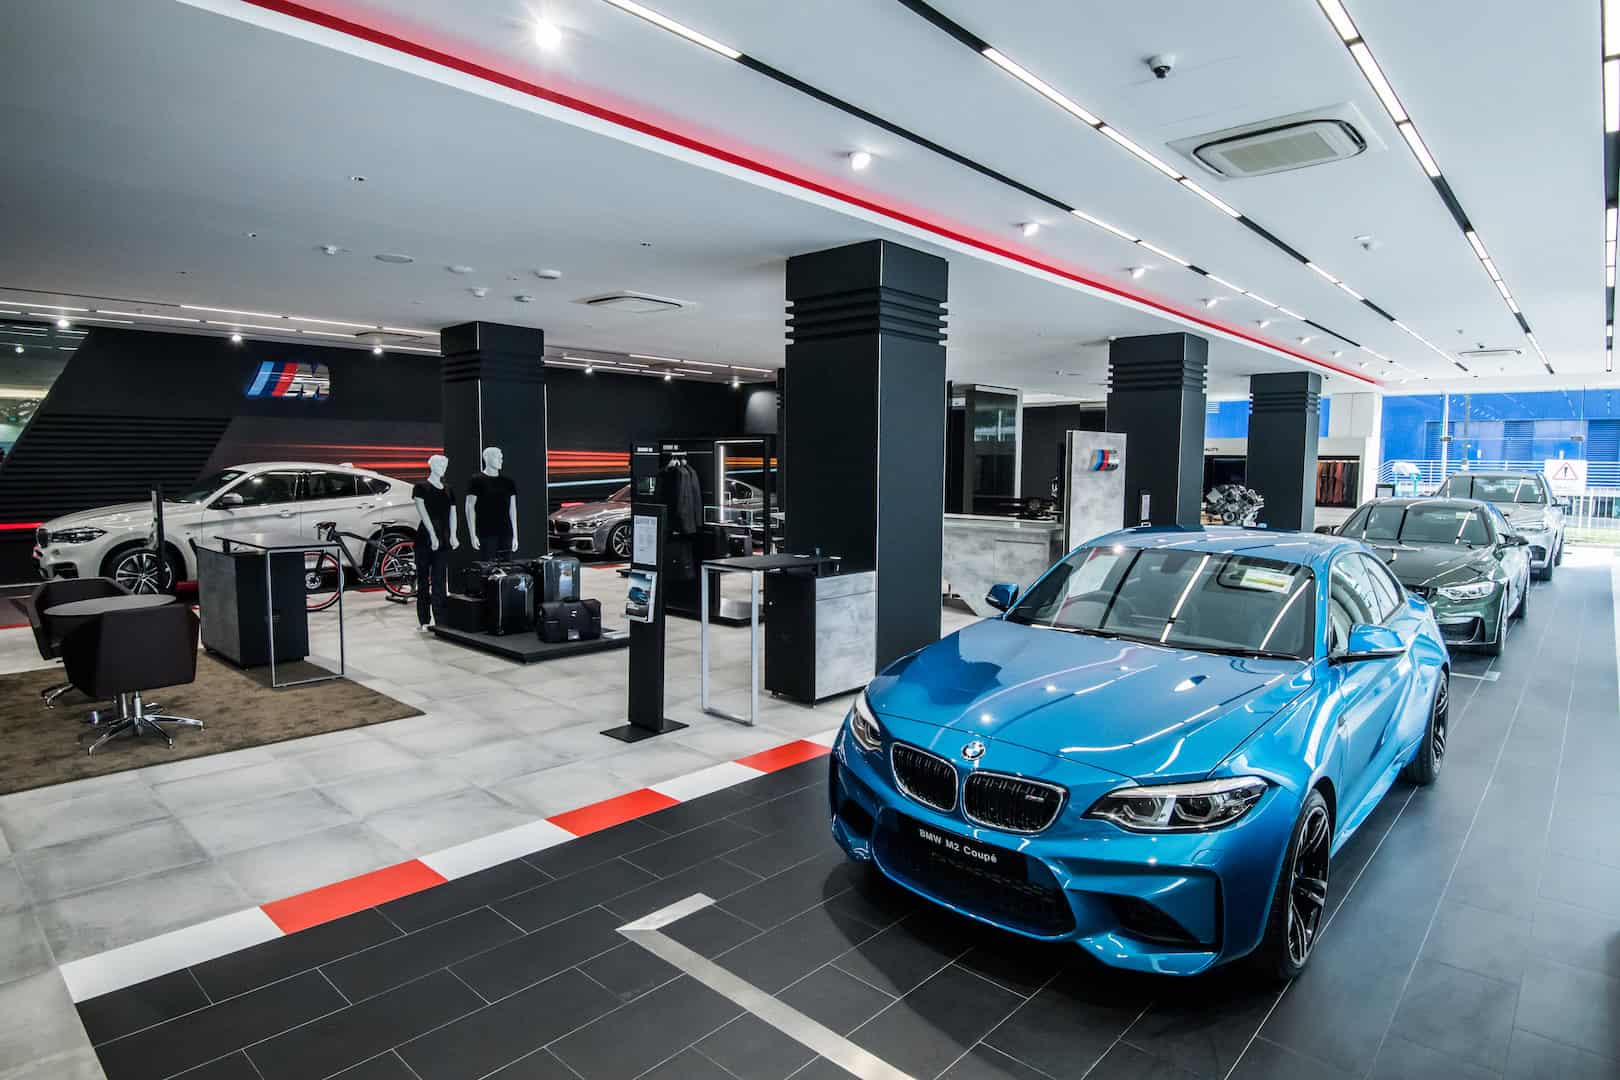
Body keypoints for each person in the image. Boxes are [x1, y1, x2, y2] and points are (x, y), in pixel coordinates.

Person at [412, 455, 457, 629]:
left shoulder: (449, 489)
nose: (443, 467)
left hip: (443, 538)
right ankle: (424, 619)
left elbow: (453, 514)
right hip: (425, 538)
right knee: (423, 579)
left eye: (445, 464)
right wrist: (432, 534)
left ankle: (441, 620)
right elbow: (423, 513)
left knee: (440, 580)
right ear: (431, 465)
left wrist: (453, 535)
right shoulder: (421, 487)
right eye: (439, 464)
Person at [466, 446, 519, 559]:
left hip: (506, 532)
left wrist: (515, 535)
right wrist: (473, 534)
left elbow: (512, 509)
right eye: (497, 457)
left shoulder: (508, 482)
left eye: (501, 458)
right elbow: (470, 507)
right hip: (486, 532)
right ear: (487, 458)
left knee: (506, 565)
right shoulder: (476, 480)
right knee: (488, 565)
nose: (500, 460)